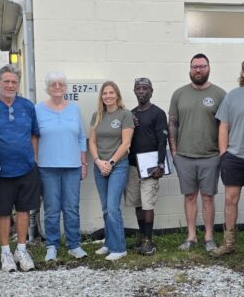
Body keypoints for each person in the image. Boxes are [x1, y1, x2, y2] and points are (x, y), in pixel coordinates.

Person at [0, 65, 38, 272]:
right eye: (6, 81)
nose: (10, 85)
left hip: (26, 168)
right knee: (3, 212)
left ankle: (21, 249)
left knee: (24, 210)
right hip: (0, 171)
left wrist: (34, 160)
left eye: (14, 82)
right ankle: (5, 252)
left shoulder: (27, 106)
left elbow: (34, 134)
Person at [169, 53, 226, 251]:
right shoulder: (179, 94)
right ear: (190, 68)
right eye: (195, 66)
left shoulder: (220, 94)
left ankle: (209, 237)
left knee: (208, 197)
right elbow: (173, 125)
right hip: (184, 156)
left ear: (208, 68)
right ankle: (191, 237)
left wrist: (222, 153)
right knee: (190, 196)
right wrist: (174, 153)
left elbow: (224, 126)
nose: (198, 70)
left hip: (211, 156)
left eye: (202, 66)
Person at [211, 56, 244, 260]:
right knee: (229, 198)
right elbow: (223, 126)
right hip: (233, 156)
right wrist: (223, 153)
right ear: (242, 72)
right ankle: (229, 242)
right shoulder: (232, 96)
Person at [36, 71, 89, 261]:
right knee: (51, 209)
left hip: (72, 166)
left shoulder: (74, 109)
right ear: (48, 88)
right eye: (53, 84)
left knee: (71, 207)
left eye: (60, 84)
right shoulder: (38, 109)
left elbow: (81, 136)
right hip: (47, 166)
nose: (57, 87)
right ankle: (52, 245)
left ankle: (74, 245)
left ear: (65, 88)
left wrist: (83, 162)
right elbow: (33, 137)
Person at [90, 81, 134, 261]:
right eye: (104, 93)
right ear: (101, 96)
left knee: (113, 207)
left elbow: (126, 143)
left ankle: (119, 248)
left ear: (117, 95)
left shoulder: (125, 115)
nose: (108, 96)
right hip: (99, 165)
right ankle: (109, 242)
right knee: (106, 208)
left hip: (118, 165)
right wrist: (98, 161)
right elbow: (92, 141)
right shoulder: (97, 115)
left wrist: (111, 162)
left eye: (111, 93)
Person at [125, 77, 167, 255]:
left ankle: (149, 241)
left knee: (148, 203)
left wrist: (160, 164)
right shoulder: (131, 114)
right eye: (138, 88)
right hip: (133, 166)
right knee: (138, 203)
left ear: (151, 91)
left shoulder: (158, 113)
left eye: (145, 88)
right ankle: (142, 236)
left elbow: (162, 140)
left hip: (151, 166)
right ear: (134, 91)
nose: (141, 91)